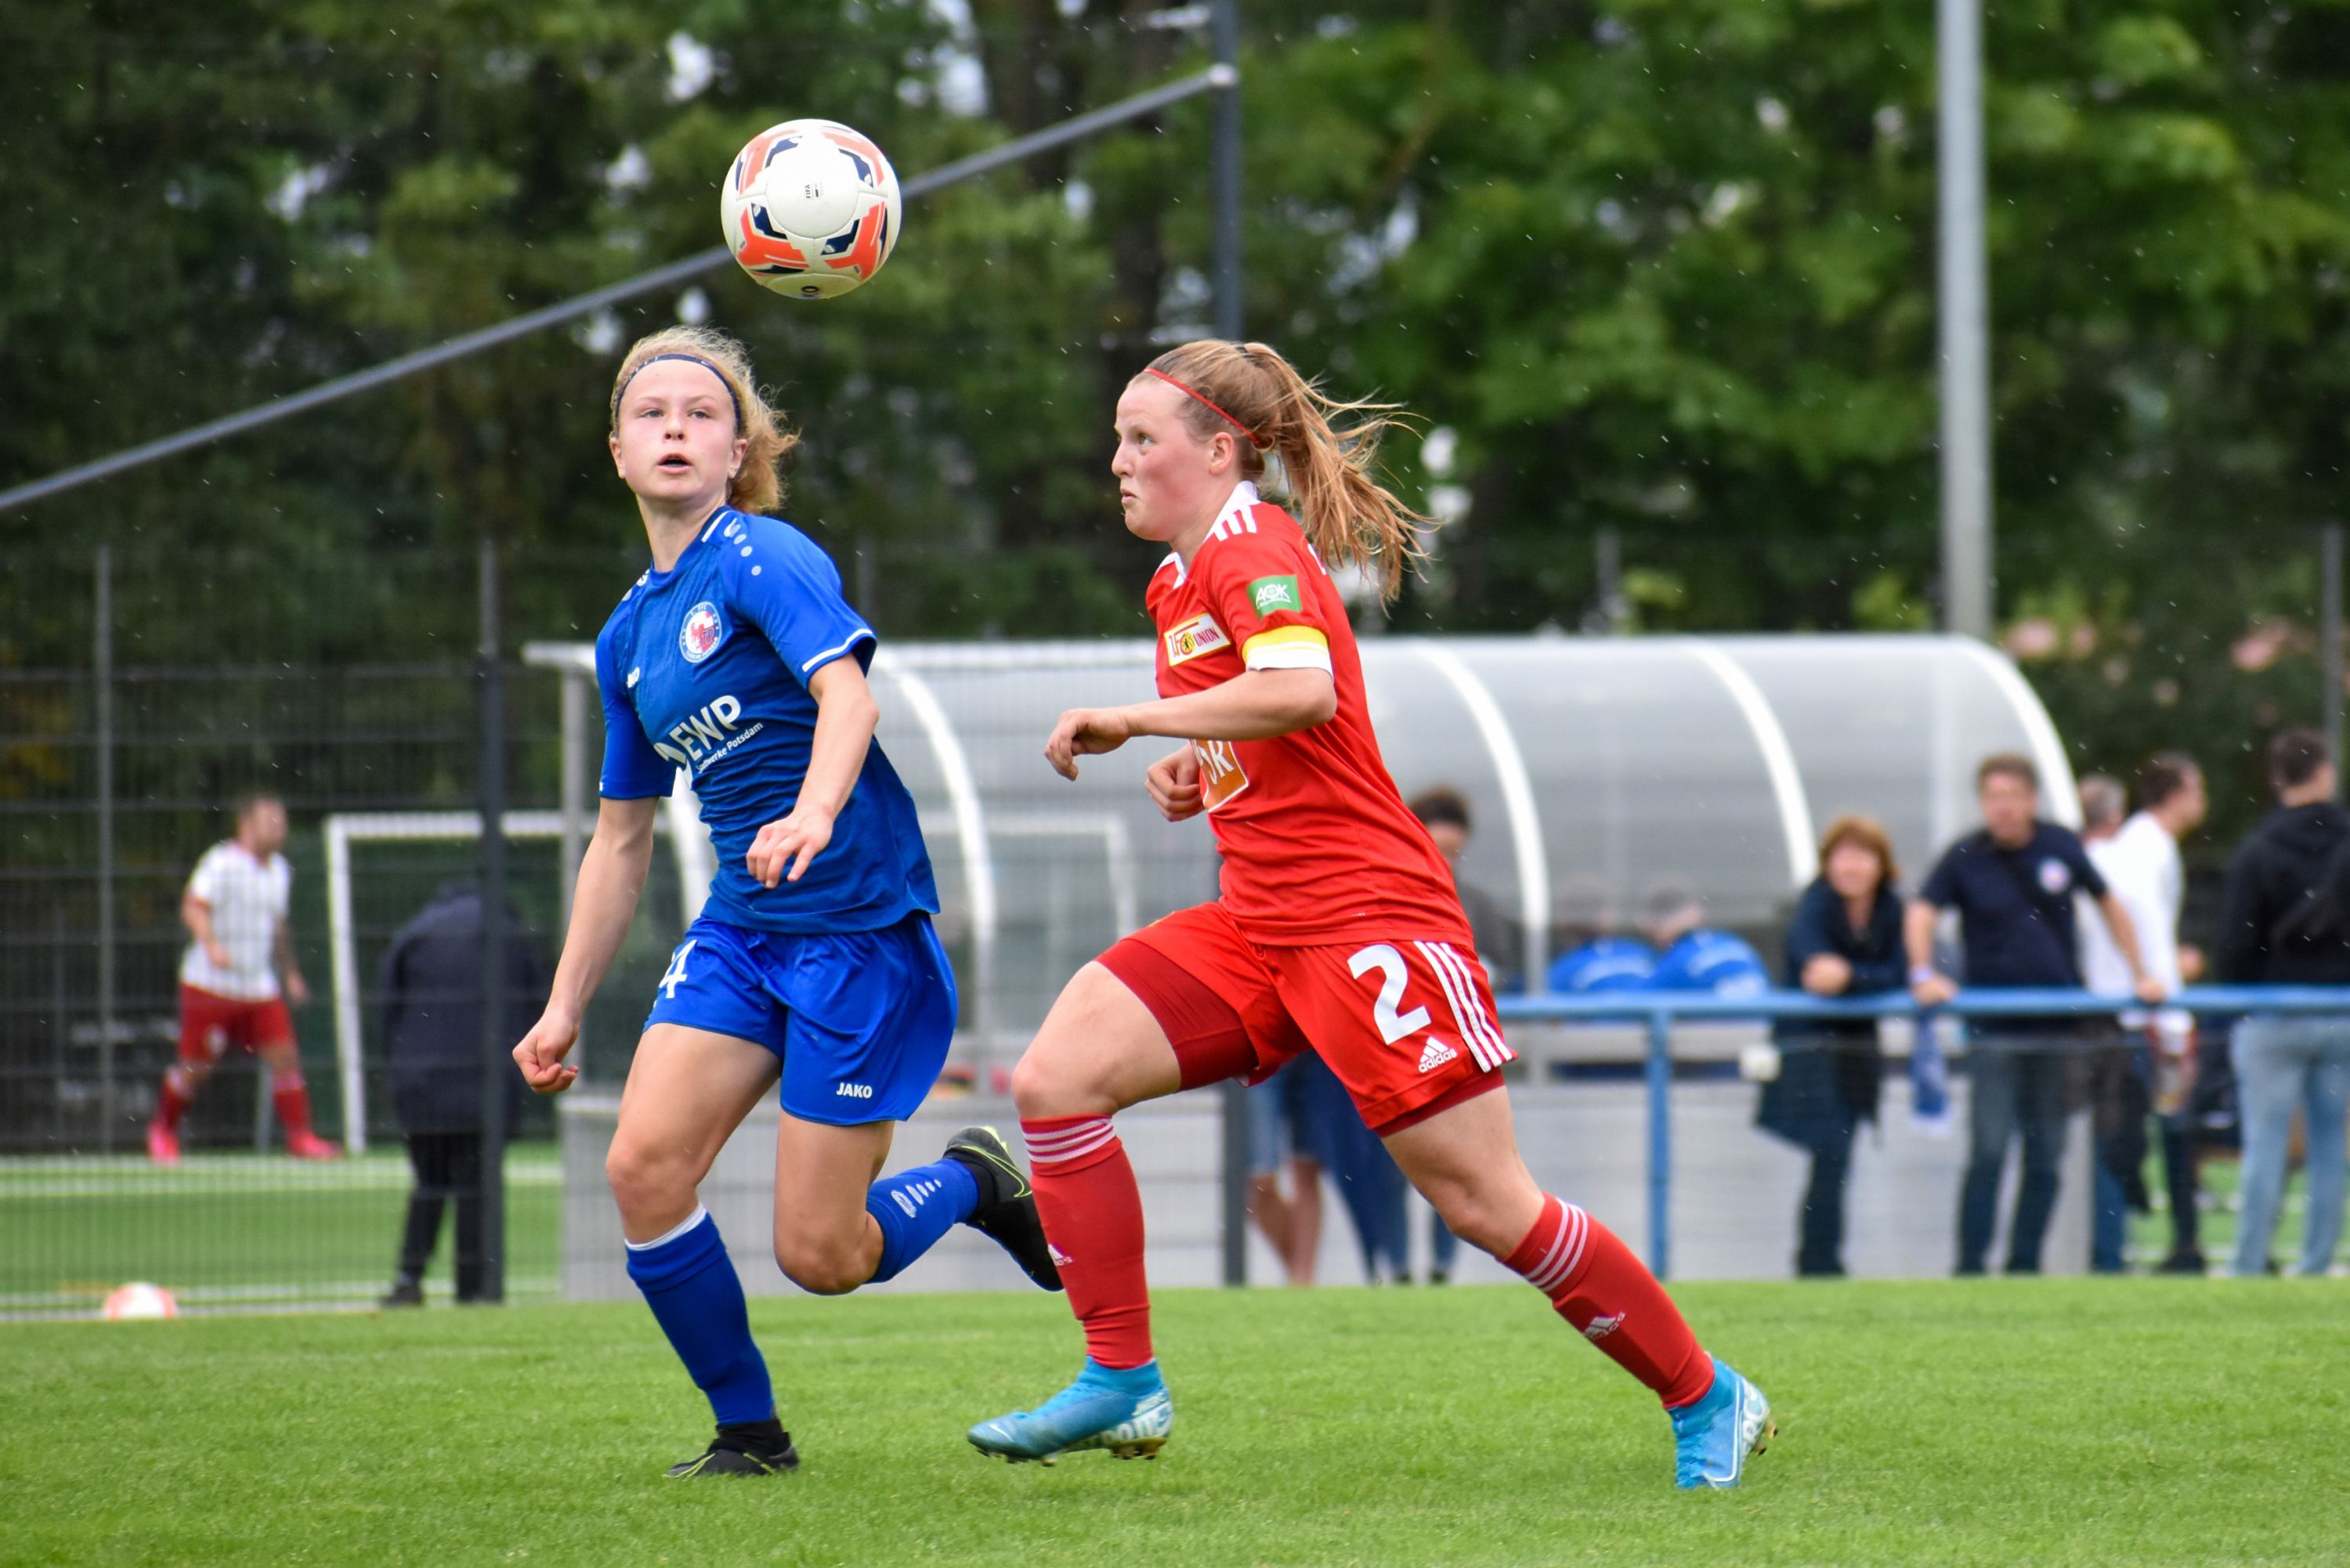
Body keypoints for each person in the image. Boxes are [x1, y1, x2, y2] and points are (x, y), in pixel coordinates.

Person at [965, 339, 1773, 1489]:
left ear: (1220, 449)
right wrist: (1197, 761)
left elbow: (1304, 687)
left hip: (1366, 921)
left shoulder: (1254, 542)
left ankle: (1709, 1393)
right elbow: (1266, 718)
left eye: (1142, 439)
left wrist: (1135, 721)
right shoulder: (1177, 577)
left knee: (1486, 1203)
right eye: (1119, 439)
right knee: (1053, 1080)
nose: (1119, 461)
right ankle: (1121, 1378)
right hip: (1258, 922)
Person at [509, 326, 1061, 1479]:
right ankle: (749, 1432)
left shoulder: (762, 555)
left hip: (858, 935)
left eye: (701, 414)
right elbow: (620, 840)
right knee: (642, 1167)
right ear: (616, 451)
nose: (674, 427)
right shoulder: (629, 635)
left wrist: (814, 811)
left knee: (823, 1252)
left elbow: (846, 699)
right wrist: (563, 1006)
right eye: (650, 412)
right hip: (745, 934)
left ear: (737, 450)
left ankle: (973, 1178)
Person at [1907, 753, 2165, 1276]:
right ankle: (1971, 1268)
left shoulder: (2059, 845)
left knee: (2046, 1157)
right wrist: (1921, 972)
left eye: (2012, 795)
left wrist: (2142, 972)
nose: (2003, 807)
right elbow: (1921, 910)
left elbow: (2109, 902)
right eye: (1993, 796)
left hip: (2057, 1031)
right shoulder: (1965, 855)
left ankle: (2025, 1265)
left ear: (2032, 799)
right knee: (1988, 1154)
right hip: (1994, 1034)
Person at [2217, 727, 2350, 1277]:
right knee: (2330, 1147)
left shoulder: (2259, 849)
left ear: (2276, 779)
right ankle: (2317, 1262)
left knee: (2266, 1143)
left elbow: (2235, 945)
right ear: (2326, 772)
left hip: (2275, 1009)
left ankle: (2249, 1262)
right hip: (2342, 1010)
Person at [377, 880, 546, 1307]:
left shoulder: (417, 930)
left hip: (421, 1084)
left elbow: (386, 1008)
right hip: (488, 1084)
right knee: (477, 1184)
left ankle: (409, 1278)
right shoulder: (508, 932)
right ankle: (474, 1288)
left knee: (430, 1181)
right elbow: (536, 1007)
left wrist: (395, 1073)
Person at [146, 792, 336, 1164]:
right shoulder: (222, 863)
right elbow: (192, 906)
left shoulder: (279, 870)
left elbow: (278, 927)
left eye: (281, 821)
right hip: (210, 983)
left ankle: (300, 1138)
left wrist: (291, 973)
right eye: (270, 821)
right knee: (196, 1067)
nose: (279, 828)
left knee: (285, 1056)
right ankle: (163, 1132)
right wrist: (212, 945)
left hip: (258, 985)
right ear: (246, 824)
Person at [1755, 817, 1905, 1277]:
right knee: (1830, 1154)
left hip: (1857, 1051)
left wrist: (1853, 978)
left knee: (1838, 1157)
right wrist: (1860, 979)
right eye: (1843, 855)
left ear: (1882, 865)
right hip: (1812, 1049)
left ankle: (1822, 1259)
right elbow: (1815, 971)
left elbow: (1899, 970)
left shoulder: (1891, 909)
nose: (1852, 866)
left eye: (1864, 856)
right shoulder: (1814, 904)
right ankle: (1818, 1261)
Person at [2077, 757, 2207, 1274]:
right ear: (2176, 794)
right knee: (2150, 1137)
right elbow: (2147, 934)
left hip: (2129, 1012)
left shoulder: (2137, 847)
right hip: (2142, 1019)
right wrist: (2174, 1023)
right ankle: (2175, 1245)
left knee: (2135, 1138)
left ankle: (2162, 1243)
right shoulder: (2146, 849)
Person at [1640, 886, 1770, 996]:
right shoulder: (1734, 943)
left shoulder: (1678, 959)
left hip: (1720, 1025)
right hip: (1762, 1024)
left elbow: (1635, 1010)